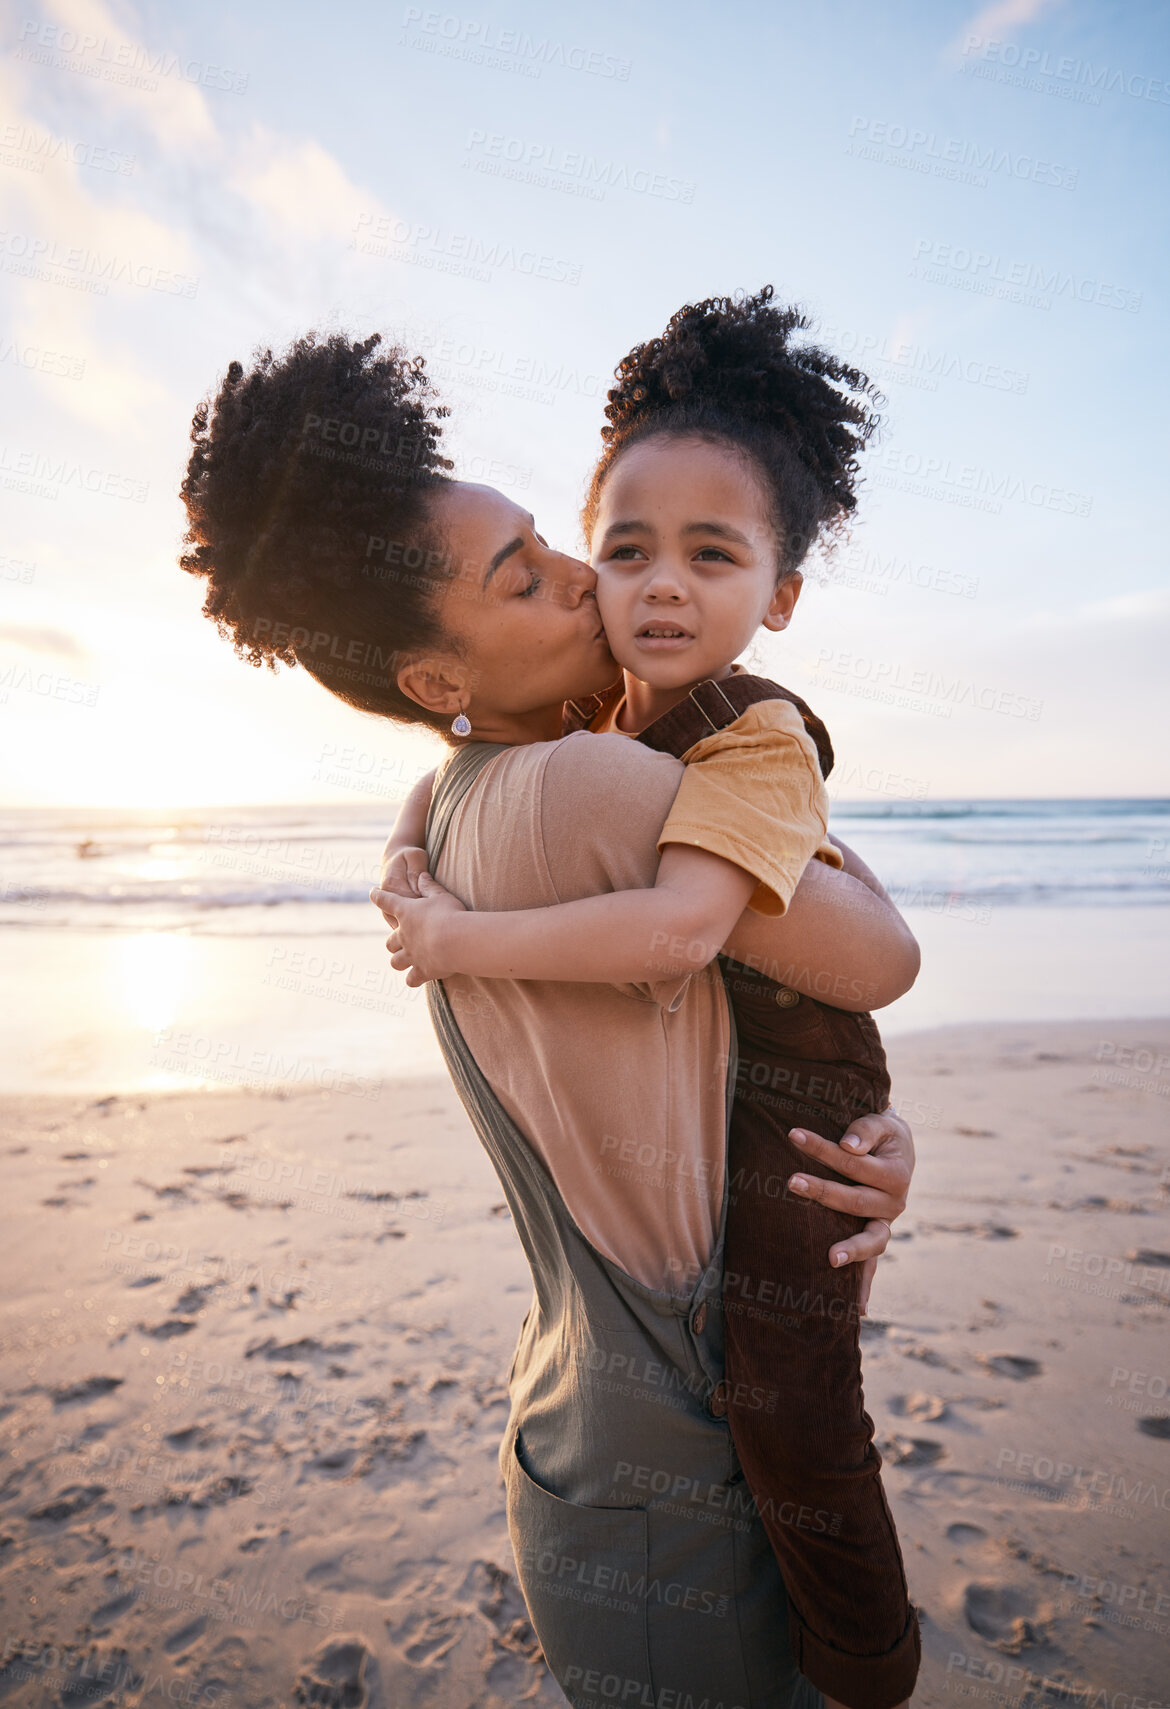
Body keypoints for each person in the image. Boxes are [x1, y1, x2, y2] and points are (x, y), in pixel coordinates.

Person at [180, 329, 919, 1708]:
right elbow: (874, 957)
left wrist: (854, 1138)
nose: (591, 579)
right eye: (528, 574)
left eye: (548, 541)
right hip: (680, 1449)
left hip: (579, 1416)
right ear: (434, 680)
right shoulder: (601, 791)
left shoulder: (453, 809)